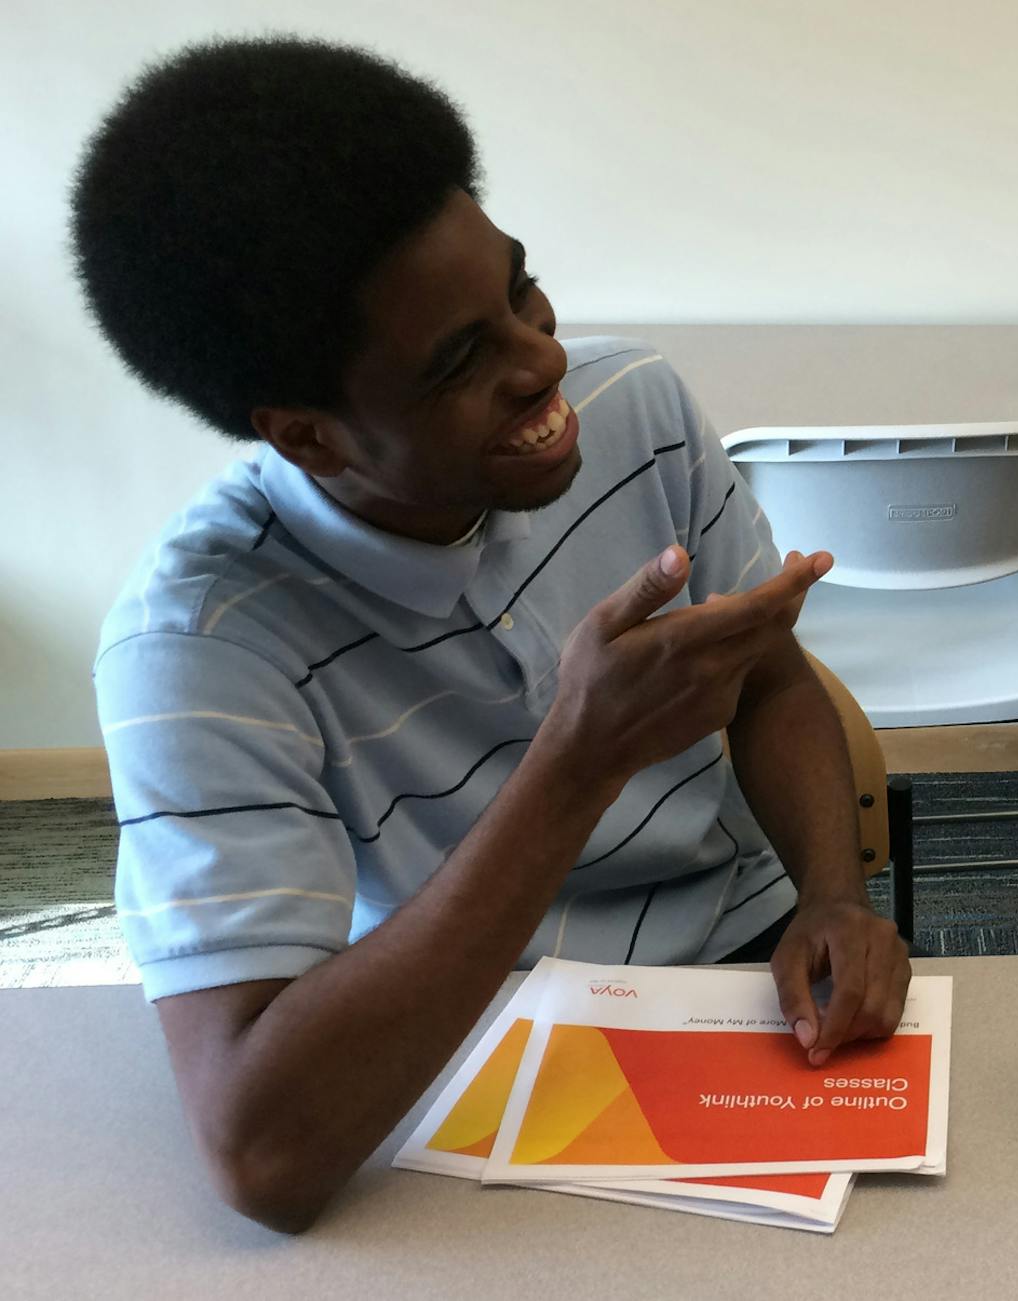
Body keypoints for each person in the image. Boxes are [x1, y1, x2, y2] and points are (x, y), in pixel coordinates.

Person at [71, 36, 909, 1232]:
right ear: (309, 434)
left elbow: (769, 677)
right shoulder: (196, 647)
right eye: (462, 361)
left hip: (743, 977)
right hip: (458, 1046)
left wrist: (833, 893)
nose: (547, 361)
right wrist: (578, 757)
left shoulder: (638, 410)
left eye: (519, 289)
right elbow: (263, 1161)